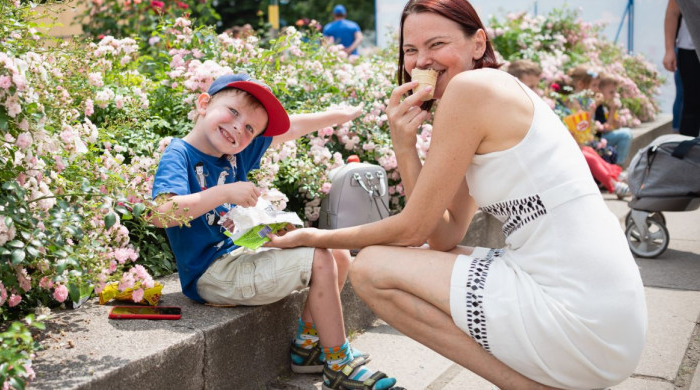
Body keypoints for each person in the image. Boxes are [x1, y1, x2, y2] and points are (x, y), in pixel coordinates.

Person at [267, 0, 647, 389]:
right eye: (411, 50)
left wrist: (312, 237)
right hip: (611, 315)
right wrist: (404, 145)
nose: (422, 62)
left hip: (580, 312)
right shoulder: (486, 94)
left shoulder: (472, 89)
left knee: (372, 269)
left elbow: (413, 231)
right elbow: (443, 235)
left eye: (436, 44)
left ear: (477, 43)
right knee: (386, 262)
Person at [150, 73, 397, 390]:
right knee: (320, 258)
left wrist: (339, 115)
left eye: (250, 128)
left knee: (337, 253)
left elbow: (291, 127)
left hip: (240, 253)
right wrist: (225, 193)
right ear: (203, 104)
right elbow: (160, 213)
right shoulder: (179, 155)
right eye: (233, 112)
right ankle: (339, 363)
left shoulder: (236, 150)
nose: (239, 128)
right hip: (210, 274)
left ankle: (307, 350)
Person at [508, 62, 630, 198]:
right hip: (538, 157)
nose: (537, 91)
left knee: (587, 151)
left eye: (537, 86)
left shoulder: (536, 103)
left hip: (554, 148)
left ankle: (615, 178)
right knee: (585, 155)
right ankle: (612, 183)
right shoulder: (515, 108)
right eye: (531, 87)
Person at [665, 0, 699, 137]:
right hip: (689, 49)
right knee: (691, 103)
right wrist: (669, 50)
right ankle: (687, 151)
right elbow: (672, 12)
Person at [592, 73, 633, 166]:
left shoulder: (605, 105)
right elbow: (606, 128)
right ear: (600, 90)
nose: (614, 95)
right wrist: (612, 110)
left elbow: (613, 126)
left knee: (625, 132)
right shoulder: (597, 106)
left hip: (603, 137)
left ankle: (616, 164)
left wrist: (617, 122)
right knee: (626, 134)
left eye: (615, 92)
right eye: (611, 92)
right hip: (598, 138)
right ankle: (618, 165)